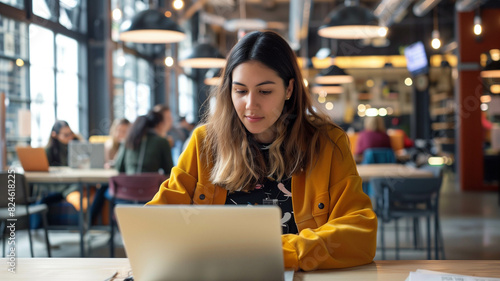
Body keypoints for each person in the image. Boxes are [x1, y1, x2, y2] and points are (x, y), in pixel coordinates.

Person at [147, 31, 377, 271]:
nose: (250, 105)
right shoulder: (204, 142)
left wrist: (275, 254)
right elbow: (155, 222)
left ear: (289, 89)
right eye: (240, 91)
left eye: (264, 91)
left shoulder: (327, 142)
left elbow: (361, 234)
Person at [114, 108, 174, 175]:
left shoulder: (128, 140)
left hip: (128, 184)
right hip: (151, 184)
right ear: (159, 125)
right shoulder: (162, 142)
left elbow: (119, 167)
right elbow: (169, 171)